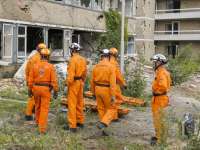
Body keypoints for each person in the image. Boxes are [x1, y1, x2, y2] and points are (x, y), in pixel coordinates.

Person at [28, 48, 58, 134]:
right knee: (44, 109)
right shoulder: (51, 67)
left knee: (37, 106)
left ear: (41, 56)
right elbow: (53, 80)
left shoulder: (35, 66)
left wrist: (29, 90)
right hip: (46, 89)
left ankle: (38, 123)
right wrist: (55, 90)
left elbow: (30, 79)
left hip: (36, 89)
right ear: (48, 57)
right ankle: (42, 129)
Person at [90, 49, 116, 136]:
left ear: (101, 57)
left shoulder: (96, 66)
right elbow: (112, 82)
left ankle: (104, 129)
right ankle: (104, 124)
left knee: (101, 109)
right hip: (106, 90)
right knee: (112, 108)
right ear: (109, 57)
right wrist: (113, 95)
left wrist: (93, 93)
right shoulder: (111, 67)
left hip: (97, 89)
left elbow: (91, 81)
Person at [63, 43, 87, 132]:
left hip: (73, 83)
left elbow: (70, 75)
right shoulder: (83, 59)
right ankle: (80, 121)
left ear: (72, 50)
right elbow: (85, 74)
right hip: (80, 82)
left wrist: (67, 84)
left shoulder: (73, 60)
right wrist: (81, 81)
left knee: (72, 104)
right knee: (80, 102)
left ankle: (72, 125)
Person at [150, 54, 172, 146]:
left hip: (160, 97)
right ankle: (158, 135)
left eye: (154, 62)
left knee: (159, 119)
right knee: (157, 118)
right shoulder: (161, 72)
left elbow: (163, 86)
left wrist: (156, 92)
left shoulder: (162, 73)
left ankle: (160, 140)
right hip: (158, 97)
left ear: (159, 63)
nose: (153, 64)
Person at [25, 43, 47, 121]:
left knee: (32, 97)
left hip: (31, 80)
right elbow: (40, 71)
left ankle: (32, 110)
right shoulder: (39, 59)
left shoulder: (31, 57)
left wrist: (28, 80)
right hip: (36, 81)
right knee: (32, 98)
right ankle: (28, 115)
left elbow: (27, 70)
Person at [109, 47, 127, 122]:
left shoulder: (106, 62)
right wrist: (124, 84)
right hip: (114, 84)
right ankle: (109, 109)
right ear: (116, 55)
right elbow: (118, 75)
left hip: (106, 85)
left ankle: (114, 117)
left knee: (113, 99)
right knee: (119, 99)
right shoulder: (115, 63)